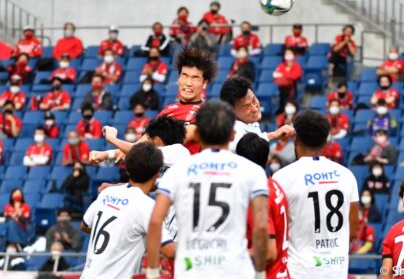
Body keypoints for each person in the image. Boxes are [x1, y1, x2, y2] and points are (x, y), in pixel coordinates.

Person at [146, 101, 269, 278]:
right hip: (234, 269)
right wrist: (259, 272)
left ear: (196, 133)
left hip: (191, 270)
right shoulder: (253, 172)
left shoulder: (177, 171)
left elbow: (155, 221)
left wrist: (152, 271)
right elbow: (261, 226)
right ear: (233, 135)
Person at [273, 110, 359, 277]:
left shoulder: (282, 177)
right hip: (335, 271)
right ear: (326, 141)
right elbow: (353, 229)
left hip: (299, 271)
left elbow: (276, 231)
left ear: (296, 138)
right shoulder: (346, 175)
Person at [81, 143, 175, 278]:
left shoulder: (108, 193)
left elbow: (85, 225)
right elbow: (170, 251)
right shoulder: (148, 206)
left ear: (127, 170)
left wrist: (119, 238)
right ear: (157, 174)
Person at [236, 133, 290, 278]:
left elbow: (267, 253)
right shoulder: (273, 184)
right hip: (281, 272)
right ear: (267, 160)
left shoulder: (256, 195)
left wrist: (228, 257)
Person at [219, 76, 296, 152]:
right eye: (246, 106)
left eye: (254, 100)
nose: (255, 109)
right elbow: (243, 148)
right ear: (231, 110)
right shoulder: (232, 130)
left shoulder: (250, 123)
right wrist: (273, 135)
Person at [273, 49, 303, 114]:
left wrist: (284, 74)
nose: (288, 55)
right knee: (282, 93)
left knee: (287, 93)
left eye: (290, 53)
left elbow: (295, 76)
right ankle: (282, 109)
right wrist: (286, 75)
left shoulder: (296, 66)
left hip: (292, 86)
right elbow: (276, 76)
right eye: (287, 54)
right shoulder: (281, 65)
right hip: (282, 87)